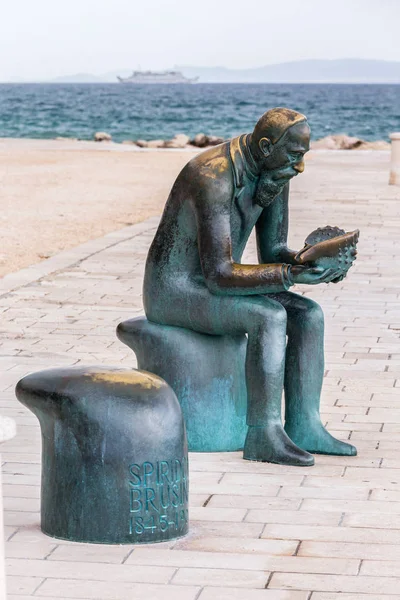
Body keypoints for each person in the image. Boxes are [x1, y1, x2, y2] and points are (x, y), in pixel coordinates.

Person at [143, 107, 356, 466]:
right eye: (294, 156)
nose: (299, 167)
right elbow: (220, 275)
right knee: (269, 316)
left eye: (303, 156)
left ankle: (304, 424)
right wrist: (290, 276)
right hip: (175, 289)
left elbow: (273, 251)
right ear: (265, 145)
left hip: (216, 281)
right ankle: (263, 434)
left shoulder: (274, 171)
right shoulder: (212, 177)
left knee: (308, 314)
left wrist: (313, 262)